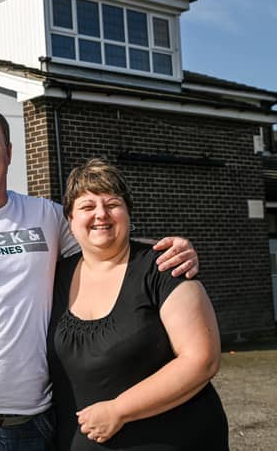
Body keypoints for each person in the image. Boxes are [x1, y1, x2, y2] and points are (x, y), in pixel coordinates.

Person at [0, 105, 199, 451]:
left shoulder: (44, 216)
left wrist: (167, 249)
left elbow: (104, 239)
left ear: (9, 151)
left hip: (33, 424)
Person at [48, 158, 228, 451]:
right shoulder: (55, 277)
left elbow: (201, 360)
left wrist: (119, 410)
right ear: (70, 220)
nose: (101, 215)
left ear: (128, 212)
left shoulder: (165, 267)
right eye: (87, 206)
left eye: (112, 204)